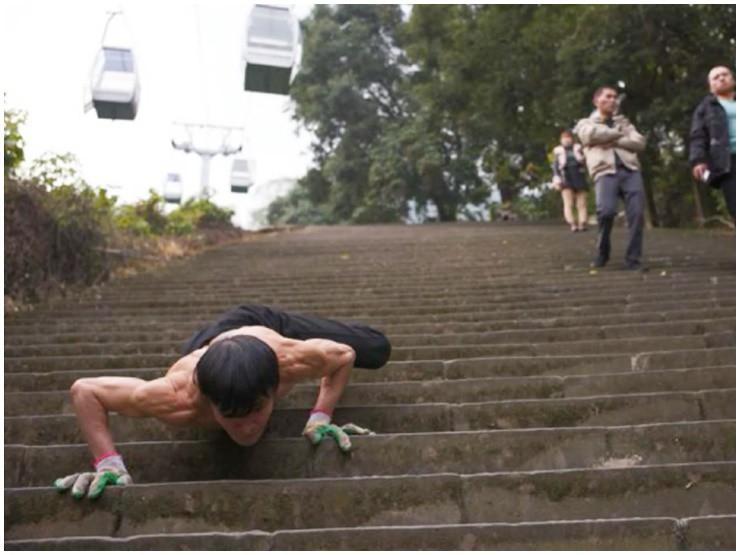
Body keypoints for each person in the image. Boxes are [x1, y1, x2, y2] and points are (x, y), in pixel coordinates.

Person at [54, 304, 392, 499]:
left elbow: (344, 355)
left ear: (276, 388)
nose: (247, 428)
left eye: (256, 411)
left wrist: (320, 414)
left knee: (376, 348)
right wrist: (108, 462)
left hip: (264, 324)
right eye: (231, 417)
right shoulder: (175, 397)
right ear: (209, 405)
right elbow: (86, 391)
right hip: (210, 343)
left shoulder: (291, 361)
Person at [575, 86, 647, 270]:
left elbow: (640, 142)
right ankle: (603, 251)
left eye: (615, 97)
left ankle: (633, 260)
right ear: (596, 100)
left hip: (630, 169)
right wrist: (621, 135)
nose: (613, 100)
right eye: (608, 97)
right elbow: (590, 135)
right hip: (604, 171)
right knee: (606, 212)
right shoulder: (586, 123)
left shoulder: (624, 122)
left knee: (637, 215)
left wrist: (613, 140)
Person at [689, 65, 736, 220]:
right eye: (716, 77)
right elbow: (698, 136)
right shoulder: (705, 109)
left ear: (733, 79)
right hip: (729, 161)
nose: (722, 78)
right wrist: (698, 160)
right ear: (711, 87)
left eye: (725, 75)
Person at [551, 129, 589, 232]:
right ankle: (572, 223)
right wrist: (556, 179)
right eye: (564, 138)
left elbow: (586, 162)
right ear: (561, 140)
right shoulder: (558, 153)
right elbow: (555, 167)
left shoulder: (579, 150)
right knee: (568, 203)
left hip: (579, 175)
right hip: (565, 177)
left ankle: (582, 222)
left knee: (582, 203)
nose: (567, 140)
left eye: (568, 138)